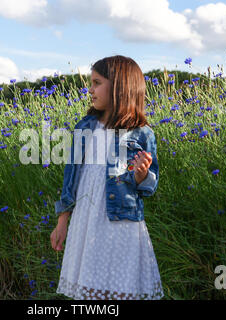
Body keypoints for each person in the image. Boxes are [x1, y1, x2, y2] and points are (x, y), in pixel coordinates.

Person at [51, 55, 164, 300]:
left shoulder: (142, 133)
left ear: (119, 87)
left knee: (120, 286)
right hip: (86, 219)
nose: (90, 89)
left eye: (97, 82)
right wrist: (63, 220)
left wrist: (141, 175)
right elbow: (71, 177)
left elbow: (147, 188)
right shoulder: (85, 126)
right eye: (91, 83)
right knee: (90, 286)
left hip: (120, 221)